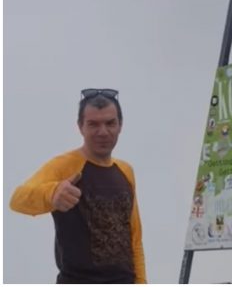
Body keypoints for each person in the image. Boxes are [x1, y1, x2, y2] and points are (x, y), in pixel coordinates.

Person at [9, 89, 147, 284]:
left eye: (110, 123)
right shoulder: (65, 165)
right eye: (93, 124)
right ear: (80, 127)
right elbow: (17, 200)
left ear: (120, 125)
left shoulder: (126, 171)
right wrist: (52, 193)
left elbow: (135, 239)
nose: (103, 132)